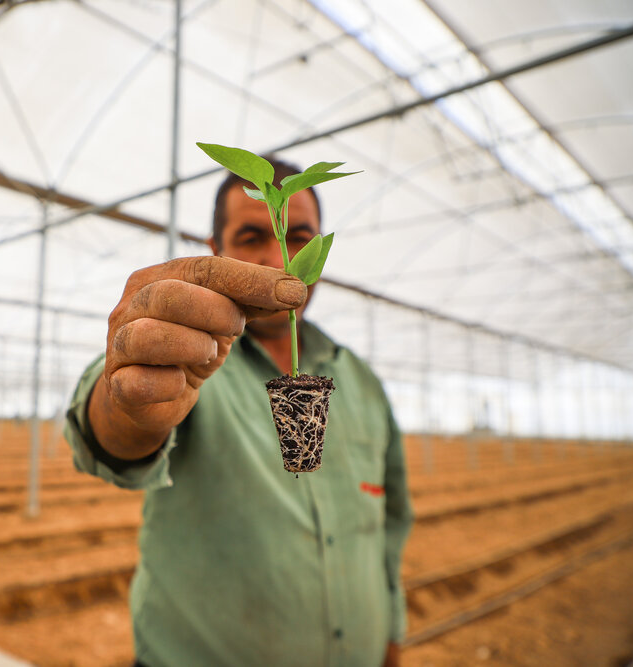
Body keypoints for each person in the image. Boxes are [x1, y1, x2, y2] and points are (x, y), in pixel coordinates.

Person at [64, 156, 413, 667]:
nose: (279, 258)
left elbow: (392, 519)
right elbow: (113, 429)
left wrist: (391, 632)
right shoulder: (194, 358)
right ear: (216, 250)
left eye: (299, 239)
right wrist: (127, 398)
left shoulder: (359, 380)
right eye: (253, 238)